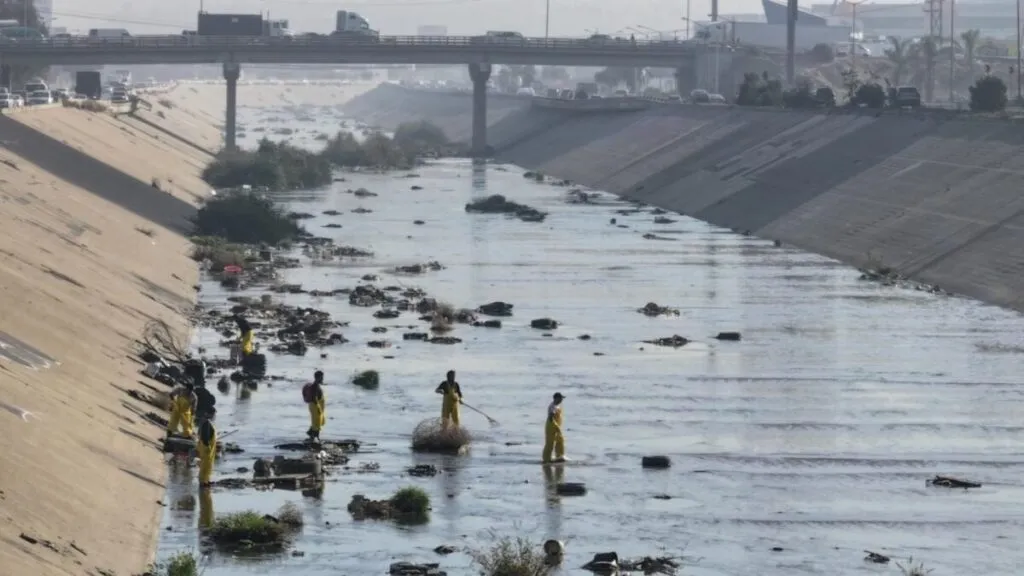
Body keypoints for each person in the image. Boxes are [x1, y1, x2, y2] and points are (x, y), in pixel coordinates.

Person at [302, 370, 326, 442]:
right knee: (317, 423)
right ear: (317, 378)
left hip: (315, 406)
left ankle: (312, 435)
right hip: (315, 406)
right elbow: (314, 398)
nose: (322, 379)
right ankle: (314, 438)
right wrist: (318, 408)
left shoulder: (316, 385)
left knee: (317, 422)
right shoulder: (315, 386)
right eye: (321, 377)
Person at [542, 392, 566, 464]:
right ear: (556, 398)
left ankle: (560, 456)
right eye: (561, 398)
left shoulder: (557, 406)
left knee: (560, 440)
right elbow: (550, 418)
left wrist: (558, 427)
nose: (562, 400)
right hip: (551, 426)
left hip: (556, 426)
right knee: (550, 443)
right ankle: (546, 459)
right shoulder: (553, 406)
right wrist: (555, 426)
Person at [196, 416, 216, 488]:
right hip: (206, 447)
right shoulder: (207, 423)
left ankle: (206, 480)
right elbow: (205, 436)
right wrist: (207, 446)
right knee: (205, 465)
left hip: (204, 447)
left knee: (207, 465)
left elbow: (200, 435)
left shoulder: (203, 423)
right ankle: (203, 482)